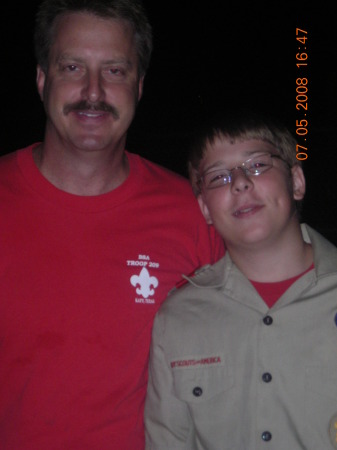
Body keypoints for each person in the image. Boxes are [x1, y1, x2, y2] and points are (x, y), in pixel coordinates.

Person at [0, 1, 224, 448]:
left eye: (116, 71)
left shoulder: (191, 212)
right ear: (42, 79)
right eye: (72, 67)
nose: (94, 91)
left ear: (139, 87)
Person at [145, 111, 337, 449]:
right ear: (204, 207)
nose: (240, 182)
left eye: (258, 165)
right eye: (218, 177)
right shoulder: (178, 318)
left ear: (296, 181)